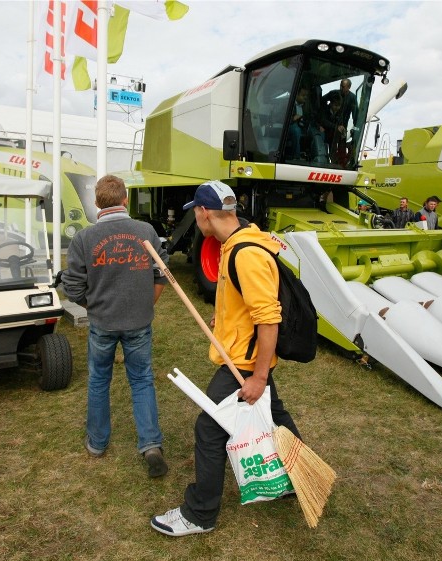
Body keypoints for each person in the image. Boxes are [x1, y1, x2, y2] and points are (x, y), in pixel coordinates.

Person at [151, 180, 301, 537]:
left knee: (209, 429)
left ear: (203, 213)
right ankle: (298, 475)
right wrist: (226, 316)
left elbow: (268, 319)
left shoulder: (244, 253)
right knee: (274, 418)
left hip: (246, 364)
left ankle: (199, 514)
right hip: (247, 356)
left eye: (196, 214)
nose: (197, 220)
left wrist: (259, 377)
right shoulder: (237, 242)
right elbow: (245, 302)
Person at [61, 174, 170, 477]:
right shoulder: (145, 230)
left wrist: (93, 307)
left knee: (98, 381)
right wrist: (147, 305)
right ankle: (150, 445)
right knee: (142, 380)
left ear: (97, 204)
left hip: (103, 324)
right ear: (125, 200)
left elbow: (71, 286)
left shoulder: (84, 238)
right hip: (138, 322)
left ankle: (97, 443)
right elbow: (162, 273)